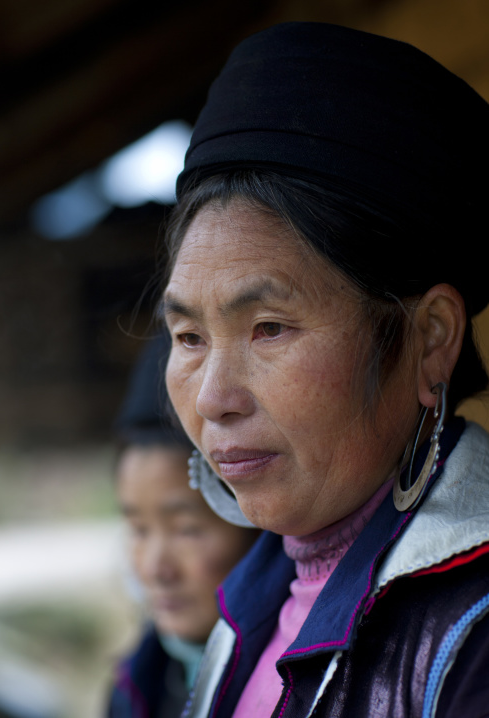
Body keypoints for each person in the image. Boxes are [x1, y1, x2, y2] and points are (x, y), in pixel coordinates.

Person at [160, 22, 489, 718]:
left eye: (269, 329)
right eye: (188, 335)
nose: (214, 398)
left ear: (431, 338)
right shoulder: (247, 608)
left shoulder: (474, 639)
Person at [107, 331, 258, 718]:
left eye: (186, 528)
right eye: (139, 529)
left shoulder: (290, 691)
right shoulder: (136, 687)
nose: (156, 570)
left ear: (256, 524)